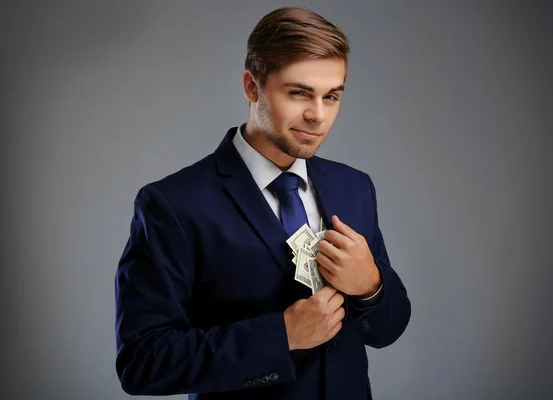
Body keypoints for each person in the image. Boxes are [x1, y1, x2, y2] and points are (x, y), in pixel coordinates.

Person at [114, 6, 411, 400]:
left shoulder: (354, 186)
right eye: (299, 93)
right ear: (252, 87)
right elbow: (142, 363)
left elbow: (389, 328)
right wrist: (281, 336)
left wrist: (371, 286)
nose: (317, 116)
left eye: (332, 96)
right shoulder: (173, 204)